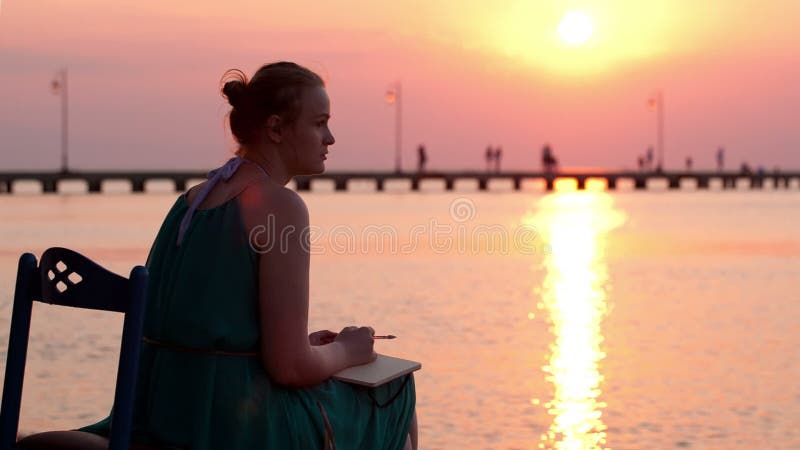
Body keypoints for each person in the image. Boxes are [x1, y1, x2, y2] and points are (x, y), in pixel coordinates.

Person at [77, 62, 418, 450]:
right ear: (275, 129)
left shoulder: (189, 202)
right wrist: (347, 349)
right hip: (233, 424)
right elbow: (289, 368)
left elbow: (204, 330)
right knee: (394, 390)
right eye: (320, 123)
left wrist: (306, 346)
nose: (331, 138)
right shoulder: (282, 207)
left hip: (161, 409)